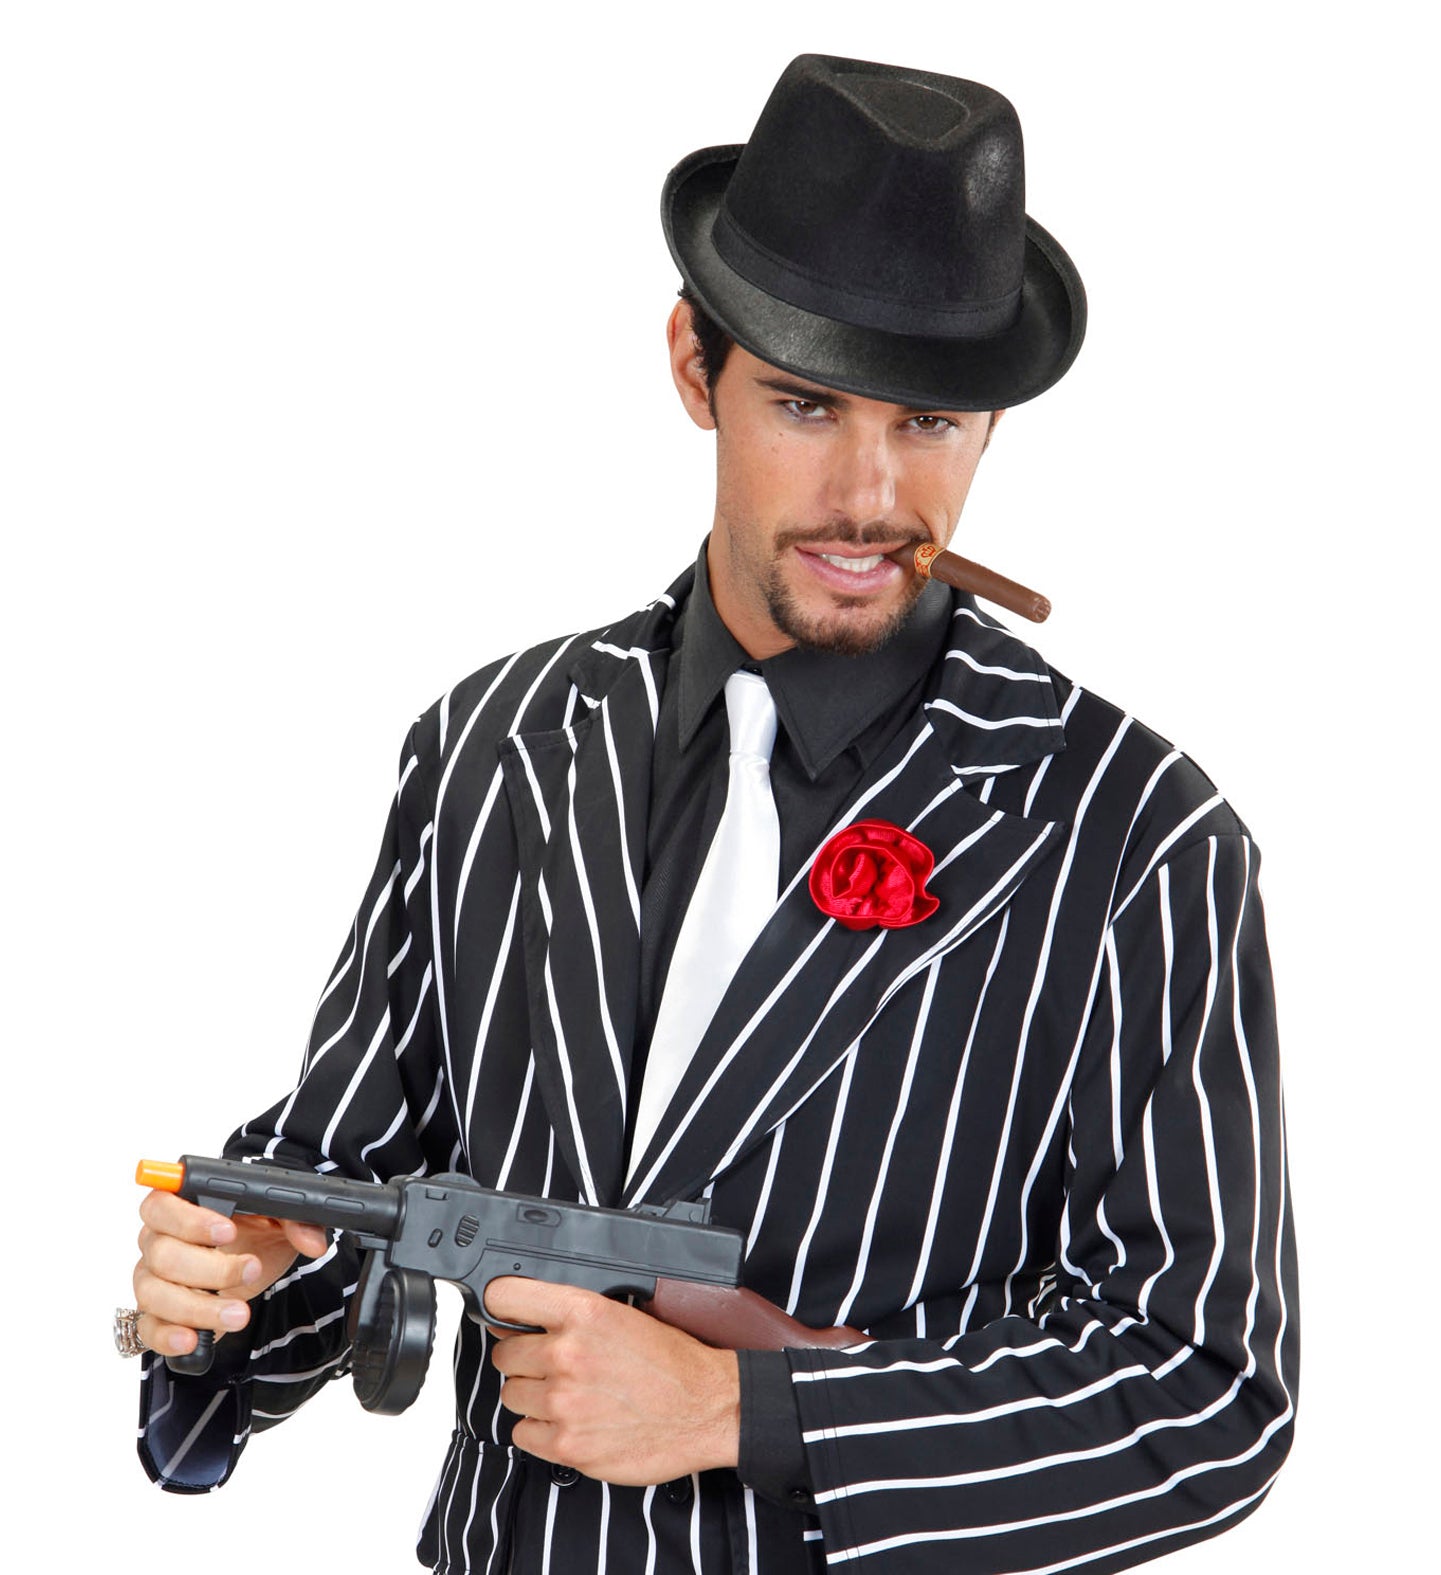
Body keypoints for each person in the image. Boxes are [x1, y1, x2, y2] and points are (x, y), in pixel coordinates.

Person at [125, 54, 1297, 1575]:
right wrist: (223, 1288)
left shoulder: (1136, 836)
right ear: (695, 367)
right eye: (805, 404)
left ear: (991, 422)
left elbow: (1204, 1400)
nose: (870, 496)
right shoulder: (492, 747)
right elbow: (349, 1190)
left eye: (929, 421)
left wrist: (748, 1412)